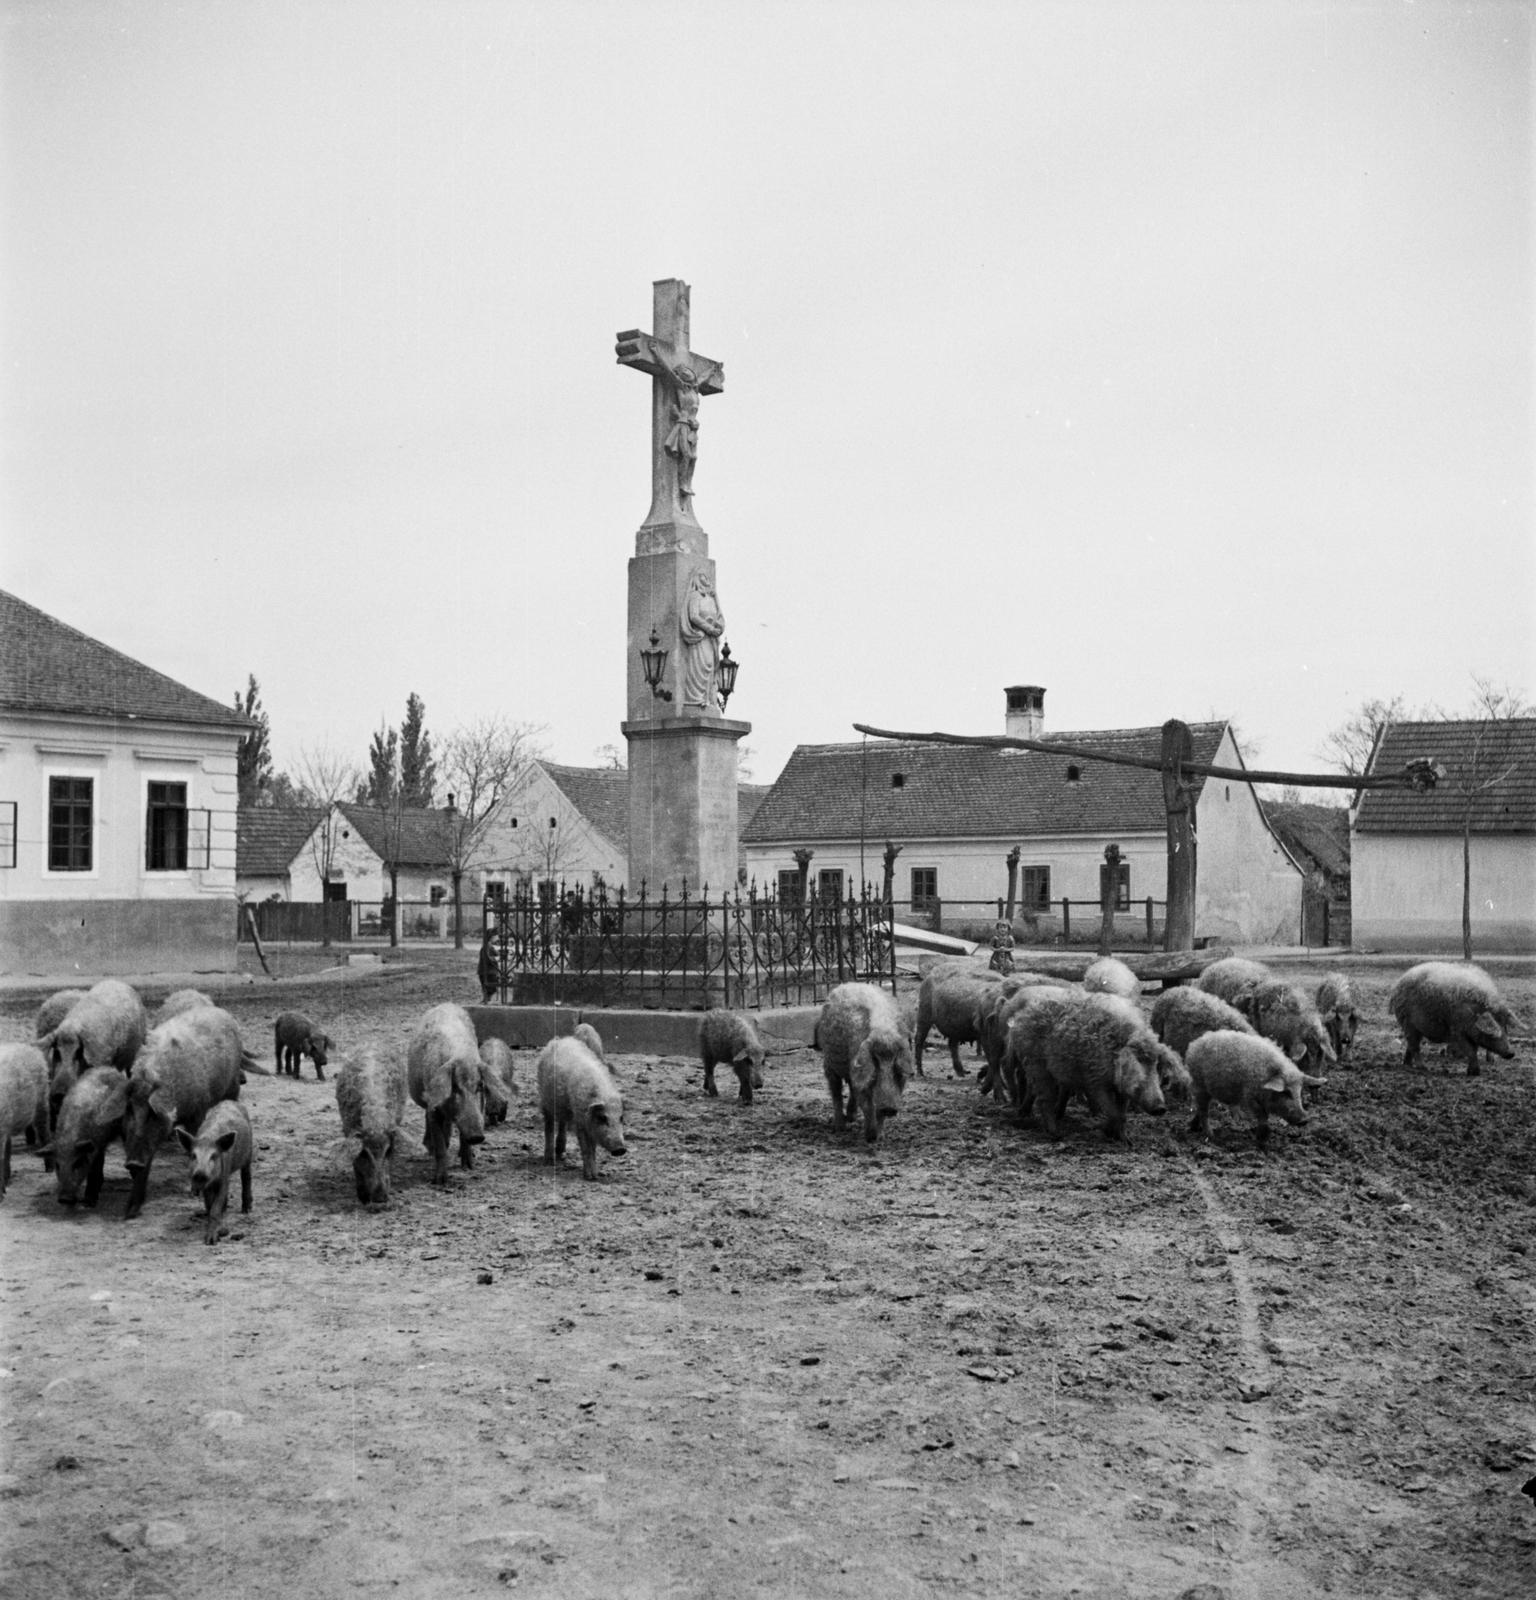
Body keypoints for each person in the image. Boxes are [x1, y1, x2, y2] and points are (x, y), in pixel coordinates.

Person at [648, 338, 719, 507]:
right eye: (685, 372)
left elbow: (702, 377)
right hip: (682, 425)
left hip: (693, 427)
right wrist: (656, 354)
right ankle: (682, 484)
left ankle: (687, 483)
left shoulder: (695, 389)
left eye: (690, 372)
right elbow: (667, 371)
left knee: (693, 457)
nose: (690, 373)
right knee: (686, 455)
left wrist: (713, 370)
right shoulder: (681, 387)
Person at [679, 567, 725, 709]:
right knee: (700, 665)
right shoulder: (695, 596)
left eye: (707, 577)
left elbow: (718, 615)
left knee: (711, 665)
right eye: (703, 577)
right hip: (699, 637)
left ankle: (709, 698)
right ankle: (696, 699)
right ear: (697, 579)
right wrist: (708, 628)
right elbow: (693, 616)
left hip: (710, 639)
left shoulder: (710, 599)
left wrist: (716, 597)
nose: (706, 579)